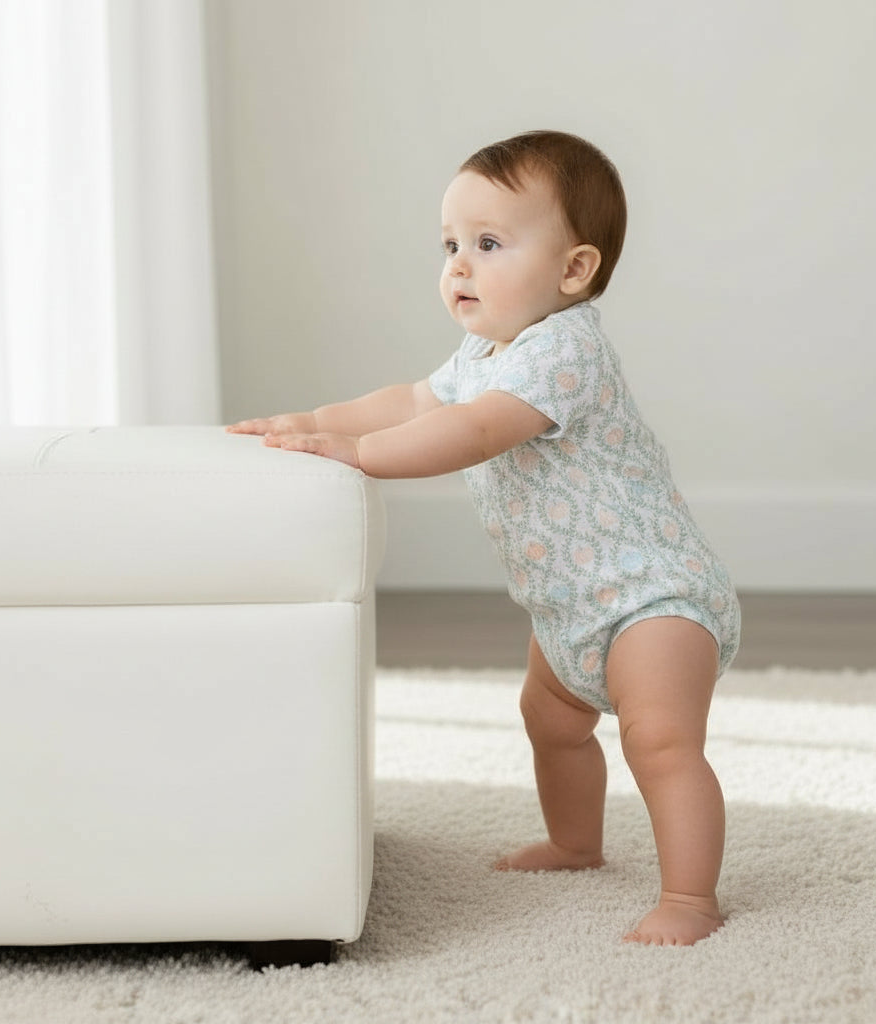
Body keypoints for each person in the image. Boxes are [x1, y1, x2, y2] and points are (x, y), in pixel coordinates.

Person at [228, 130, 741, 946]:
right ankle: (575, 844)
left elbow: (474, 430)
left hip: (652, 597)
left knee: (661, 743)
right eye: (451, 245)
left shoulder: (566, 350)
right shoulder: (485, 350)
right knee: (551, 721)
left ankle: (690, 897)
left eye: (489, 244)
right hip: (568, 606)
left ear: (574, 269)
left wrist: (360, 455)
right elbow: (415, 401)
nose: (459, 265)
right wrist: (316, 420)